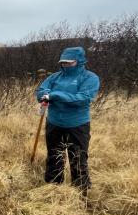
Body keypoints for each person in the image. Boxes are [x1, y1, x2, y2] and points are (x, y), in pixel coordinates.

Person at [35, 46, 100, 193]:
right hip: (54, 123)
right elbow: (41, 90)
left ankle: (81, 191)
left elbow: (83, 98)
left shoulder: (90, 78)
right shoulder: (54, 77)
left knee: (78, 158)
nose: (65, 65)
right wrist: (45, 94)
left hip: (77, 125)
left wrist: (56, 95)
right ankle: (53, 188)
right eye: (63, 62)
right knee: (54, 156)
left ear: (79, 61)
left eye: (69, 62)